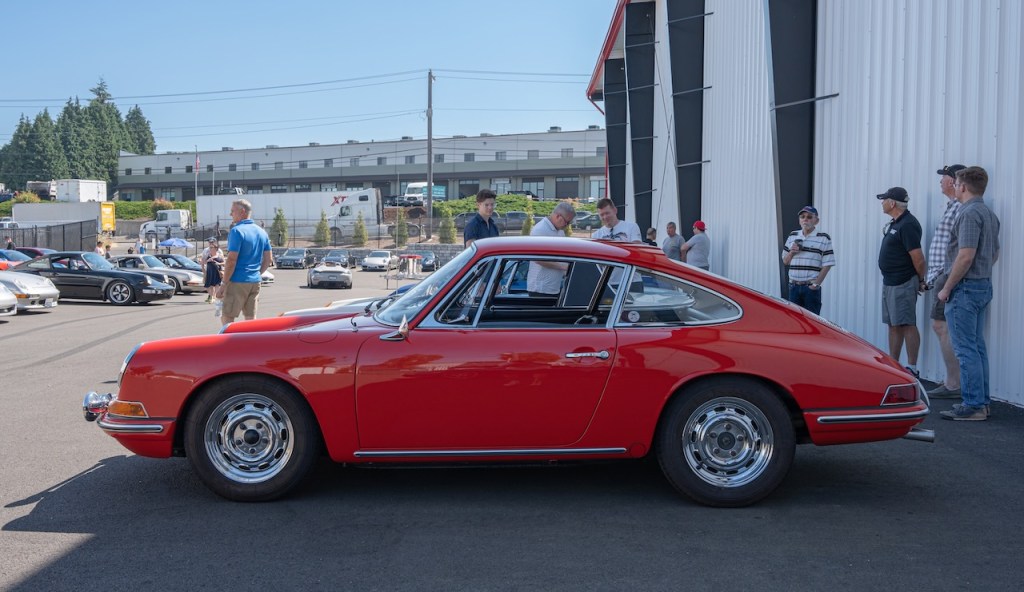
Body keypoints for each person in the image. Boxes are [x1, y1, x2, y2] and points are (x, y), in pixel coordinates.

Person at [938, 166, 1000, 421]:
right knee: (977, 348)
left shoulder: (969, 213)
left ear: (962, 186)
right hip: (982, 285)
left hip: (965, 289)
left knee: (965, 349)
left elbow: (965, 256)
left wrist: (947, 288)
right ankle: (981, 403)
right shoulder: (989, 214)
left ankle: (973, 405)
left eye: (956, 184)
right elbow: (994, 253)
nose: (954, 187)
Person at [876, 186, 926, 377]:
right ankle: (893, 365)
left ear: (892, 203)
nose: (882, 203)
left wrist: (920, 280)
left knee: (906, 323)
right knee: (893, 324)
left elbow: (918, 258)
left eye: (884, 200)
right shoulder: (896, 223)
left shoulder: (908, 224)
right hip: (890, 281)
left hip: (903, 281)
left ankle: (912, 367)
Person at [925, 164, 966, 398]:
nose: (940, 182)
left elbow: (962, 246)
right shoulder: (952, 206)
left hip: (946, 275)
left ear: (952, 181)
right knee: (942, 327)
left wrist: (946, 276)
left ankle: (954, 384)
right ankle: (953, 382)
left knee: (942, 327)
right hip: (940, 275)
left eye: (943, 178)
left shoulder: (960, 208)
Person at [218, 199, 273, 325]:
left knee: (228, 317)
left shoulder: (237, 231)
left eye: (232, 211)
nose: (230, 214)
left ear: (242, 211)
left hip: (237, 280)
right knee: (250, 318)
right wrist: (257, 273)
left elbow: (231, 260)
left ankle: (228, 338)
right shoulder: (262, 232)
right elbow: (268, 259)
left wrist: (224, 284)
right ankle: (249, 337)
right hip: (255, 281)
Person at [782, 206, 836, 315]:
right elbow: (785, 261)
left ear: (816, 221)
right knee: (794, 321)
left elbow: (828, 264)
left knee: (811, 321)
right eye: (802, 217)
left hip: (810, 288)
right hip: (793, 287)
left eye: (809, 217)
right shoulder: (793, 235)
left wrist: (815, 285)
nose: (805, 219)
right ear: (799, 220)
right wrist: (791, 253)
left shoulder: (824, 238)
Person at [527, 201, 576, 297]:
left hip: (553, 287)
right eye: (567, 222)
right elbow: (538, 259)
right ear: (558, 216)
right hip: (540, 288)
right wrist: (564, 267)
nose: (567, 225)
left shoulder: (560, 232)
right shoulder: (540, 230)